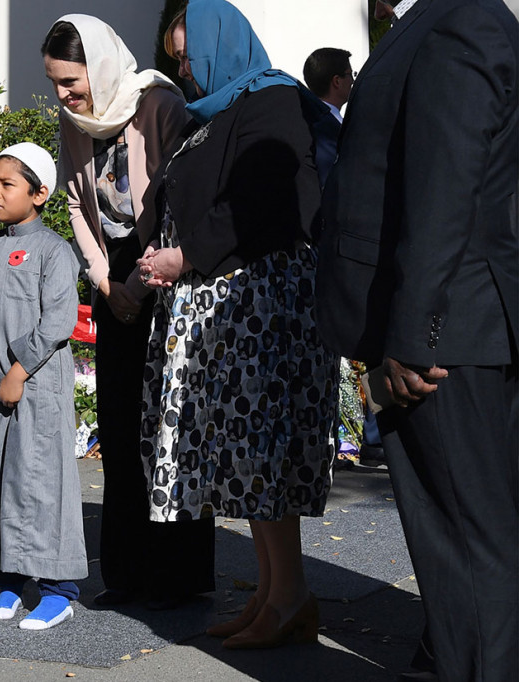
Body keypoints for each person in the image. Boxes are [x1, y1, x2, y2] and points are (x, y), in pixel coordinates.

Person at [316, 0, 518, 679]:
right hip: (450, 323)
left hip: (445, 334)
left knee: (466, 547)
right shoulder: (445, 20)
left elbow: (444, 187)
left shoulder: (461, 22)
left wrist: (413, 332)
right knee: (469, 541)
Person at [140, 0, 338, 649]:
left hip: (265, 306)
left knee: (264, 454)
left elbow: (260, 200)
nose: (187, 69)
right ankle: (274, 593)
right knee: (247, 458)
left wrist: (187, 255)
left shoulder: (271, 101)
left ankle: (288, 596)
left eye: (189, 53)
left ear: (221, 44)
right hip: (233, 306)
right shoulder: (221, 110)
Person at [43, 13, 214, 610]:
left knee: (166, 427)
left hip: (163, 270)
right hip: (110, 275)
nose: (64, 94)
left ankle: (177, 576)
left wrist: (137, 287)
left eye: (71, 80)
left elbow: (179, 202)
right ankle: (126, 574)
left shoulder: (158, 104)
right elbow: (74, 198)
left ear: (101, 63)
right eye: (57, 83)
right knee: (118, 428)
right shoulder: (74, 120)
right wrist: (102, 278)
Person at [0, 143, 87, 631]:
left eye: (7, 184)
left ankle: (57, 590)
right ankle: (8, 581)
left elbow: (59, 321)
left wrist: (18, 370)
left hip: (35, 385)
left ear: (40, 193)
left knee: (40, 483)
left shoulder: (55, 251)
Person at [302, 47, 353, 122]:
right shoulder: (338, 128)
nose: (353, 81)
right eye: (350, 74)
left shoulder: (302, 119)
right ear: (337, 81)